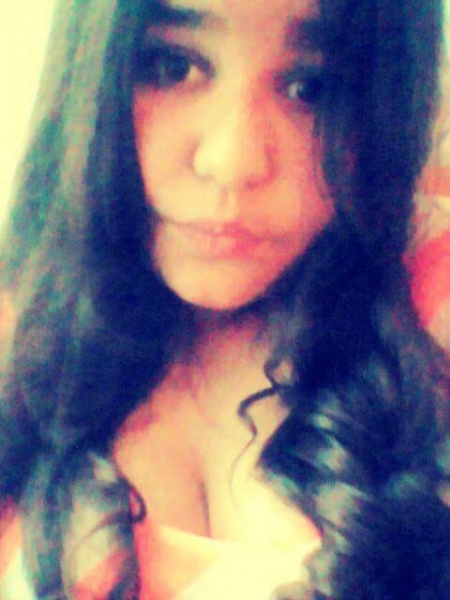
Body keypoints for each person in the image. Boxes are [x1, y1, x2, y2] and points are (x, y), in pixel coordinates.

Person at [1, 0, 450, 598]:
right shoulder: (17, 340)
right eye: (171, 66)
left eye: (310, 87)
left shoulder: (427, 293)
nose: (232, 162)